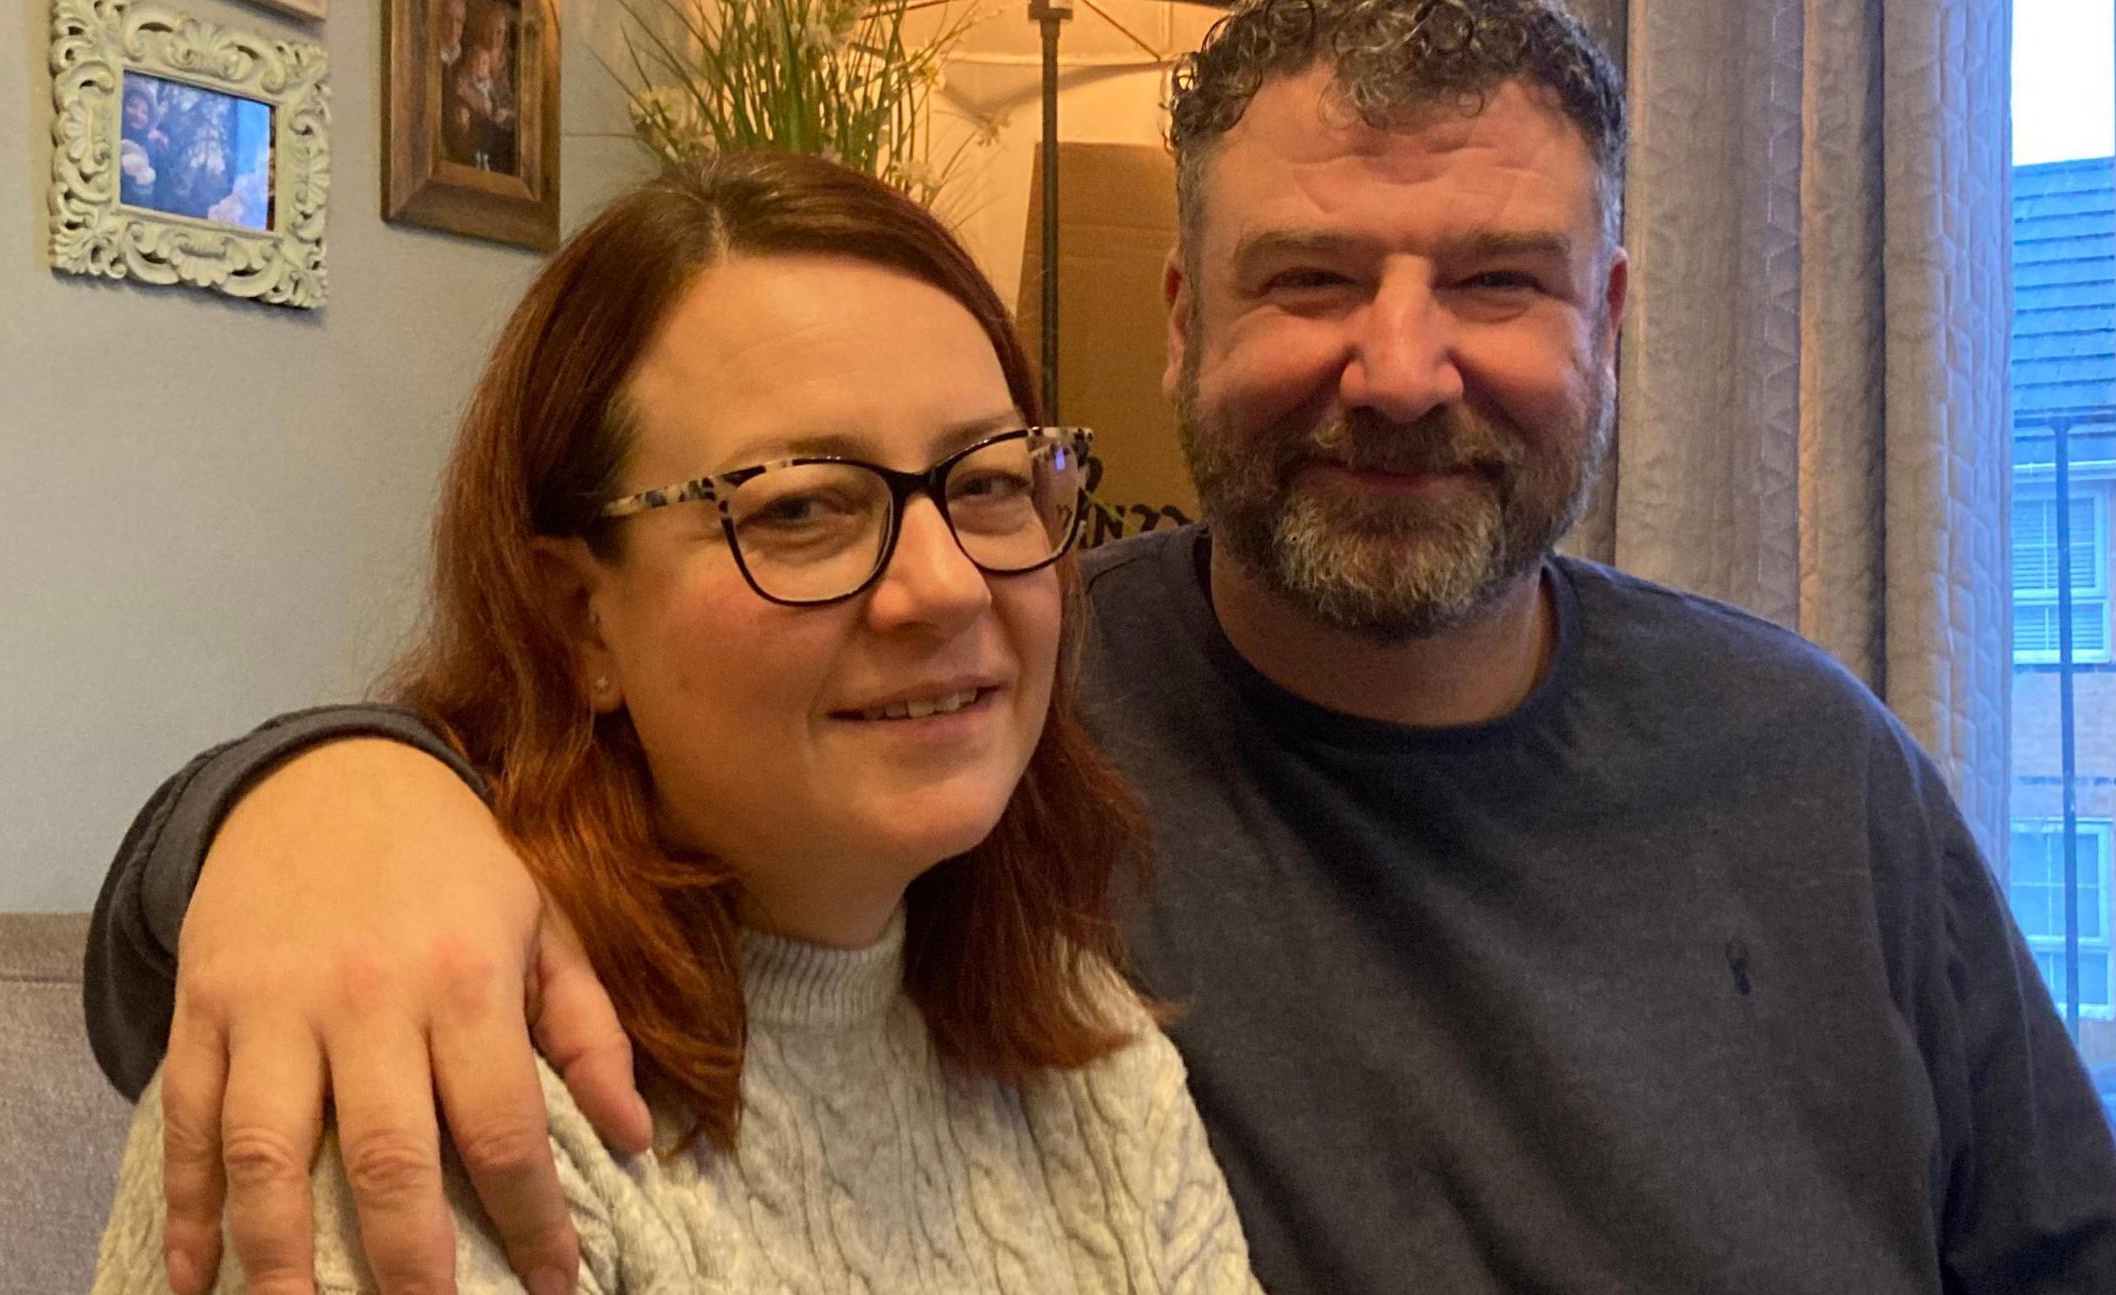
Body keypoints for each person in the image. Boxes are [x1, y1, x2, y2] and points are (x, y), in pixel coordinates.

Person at [86, 0, 2116, 1295]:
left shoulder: (1809, 762)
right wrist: (293, 802)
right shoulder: (979, 714)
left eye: (1493, 280)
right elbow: (552, 779)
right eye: (1310, 280)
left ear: (1608, 318)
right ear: (1184, 310)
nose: (1399, 372)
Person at [87, 152, 1262, 1294]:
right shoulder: (430, 1075)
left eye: (993, 481)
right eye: (799, 506)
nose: (946, 585)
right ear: (579, 619)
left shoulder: (1088, 1056)